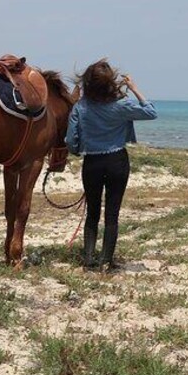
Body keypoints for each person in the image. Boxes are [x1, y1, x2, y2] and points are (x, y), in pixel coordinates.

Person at [65, 59, 158, 270]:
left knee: (93, 212)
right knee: (112, 214)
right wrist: (134, 89)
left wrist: (77, 150)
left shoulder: (80, 107)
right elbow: (151, 112)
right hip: (117, 160)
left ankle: (89, 261)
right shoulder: (121, 106)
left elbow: (71, 140)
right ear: (110, 83)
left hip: (93, 162)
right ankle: (106, 261)